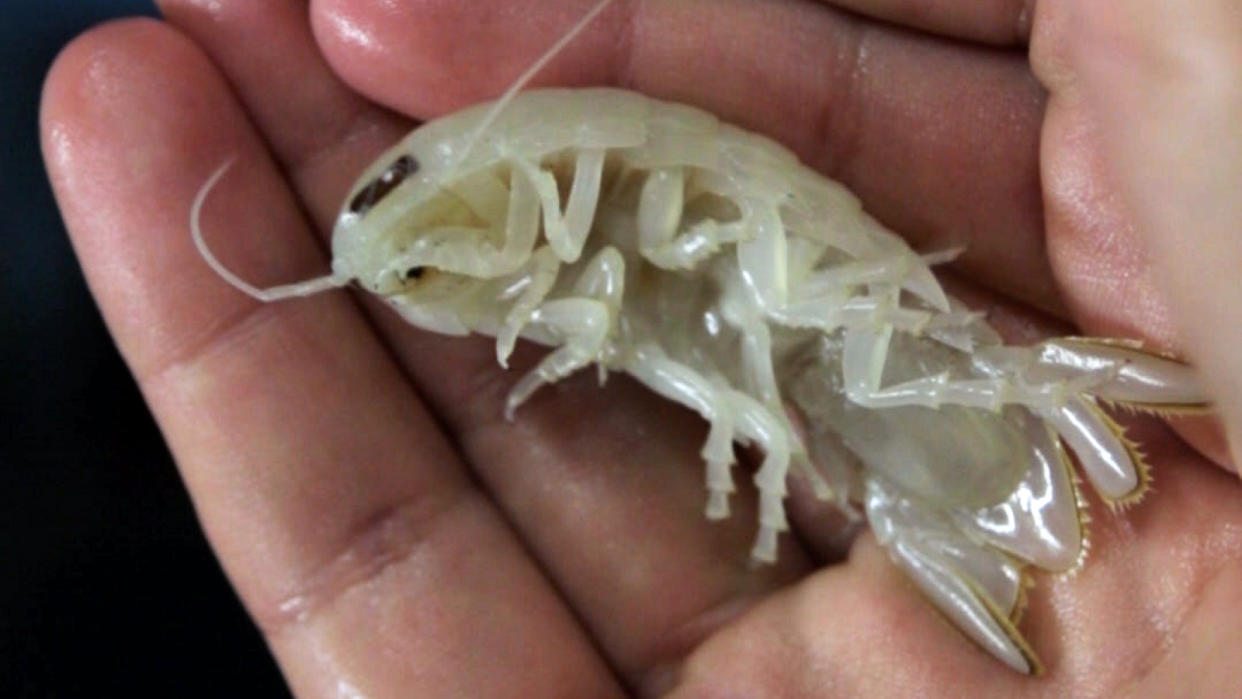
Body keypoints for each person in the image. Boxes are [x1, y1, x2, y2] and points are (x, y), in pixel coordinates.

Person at [40, 0, 1241, 695]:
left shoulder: (569, 172)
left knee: (829, 351)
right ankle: (976, 453)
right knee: (795, 384)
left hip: (806, 303)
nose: (421, 260)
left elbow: (670, 218)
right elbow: (622, 313)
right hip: (787, 358)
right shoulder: (524, 273)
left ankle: (1014, 418)